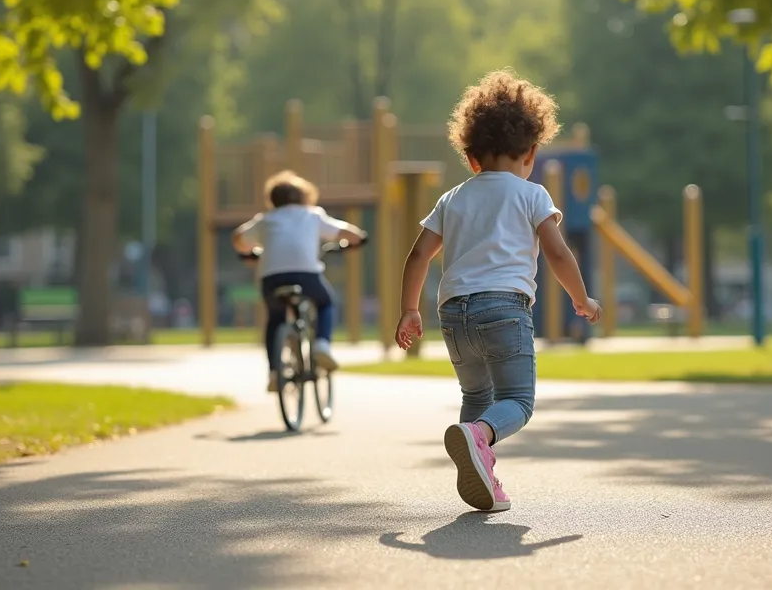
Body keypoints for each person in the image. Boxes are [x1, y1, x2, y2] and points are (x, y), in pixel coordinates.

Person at [395, 70, 601, 512]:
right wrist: (582, 299)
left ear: (470, 158)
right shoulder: (532, 195)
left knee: (476, 396)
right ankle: (478, 437)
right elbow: (558, 254)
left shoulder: (451, 198)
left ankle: (481, 471)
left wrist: (408, 310)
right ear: (531, 152)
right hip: (504, 309)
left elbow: (418, 256)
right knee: (518, 402)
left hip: (452, 315)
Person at [234, 171, 366, 392]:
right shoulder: (313, 214)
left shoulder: (265, 219)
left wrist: (250, 251)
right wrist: (357, 239)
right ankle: (322, 344)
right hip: (307, 275)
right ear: (304, 196)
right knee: (325, 303)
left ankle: (275, 371)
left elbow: (238, 237)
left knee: (275, 319)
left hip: (271, 277)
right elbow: (348, 232)